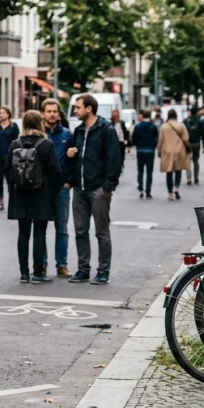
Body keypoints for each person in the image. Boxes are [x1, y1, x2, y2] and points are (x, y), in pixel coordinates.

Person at [65, 95, 122, 285]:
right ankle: (83, 269)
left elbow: (115, 159)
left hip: (98, 188)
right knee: (80, 230)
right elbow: (73, 157)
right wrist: (70, 155)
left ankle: (103, 271)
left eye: (78, 107)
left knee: (101, 232)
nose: (75, 111)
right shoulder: (78, 130)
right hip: (79, 189)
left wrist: (108, 186)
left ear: (89, 109)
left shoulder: (106, 130)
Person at [5, 110, 61, 284]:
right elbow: (55, 172)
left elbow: (7, 170)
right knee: (39, 234)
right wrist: (53, 190)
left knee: (23, 233)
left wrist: (14, 188)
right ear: (40, 123)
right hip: (41, 194)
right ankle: (38, 273)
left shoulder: (15, 144)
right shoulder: (47, 144)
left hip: (20, 194)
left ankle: (23, 273)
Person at [41, 99, 73, 278]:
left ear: (59, 114)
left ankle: (62, 265)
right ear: (43, 114)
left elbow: (74, 160)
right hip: (42, 188)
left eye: (55, 111)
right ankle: (43, 264)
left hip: (61, 187)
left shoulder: (67, 134)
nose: (52, 114)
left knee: (62, 228)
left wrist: (69, 182)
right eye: (49, 111)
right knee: (41, 228)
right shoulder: (39, 134)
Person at [158, 109, 190, 201]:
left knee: (169, 172)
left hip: (167, 151)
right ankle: (176, 187)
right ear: (176, 116)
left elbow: (160, 141)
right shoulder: (181, 125)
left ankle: (170, 193)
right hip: (179, 150)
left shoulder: (164, 127)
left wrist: (159, 151)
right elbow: (186, 138)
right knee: (178, 170)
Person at [131, 109, 159, 199]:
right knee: (149, 172)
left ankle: (140, 189)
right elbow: (156, 138)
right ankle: (148, 191)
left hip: (140, 150)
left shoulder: (138, 126)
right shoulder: (153, 126)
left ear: (142, 116)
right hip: (150, 150)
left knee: (140, 171)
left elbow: (134, 139)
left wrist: (136, 144)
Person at [184, 107, 203, 185]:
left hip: (188, 143)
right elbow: (203, 134)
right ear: (197, 112)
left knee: (188, 160)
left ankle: (189, 178)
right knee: (196, 160)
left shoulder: (185, 121)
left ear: (190, 112)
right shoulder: (200, 121)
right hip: (197, 143)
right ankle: (196, 178)